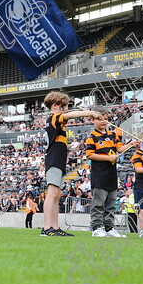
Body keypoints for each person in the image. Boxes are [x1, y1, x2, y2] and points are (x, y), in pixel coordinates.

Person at [40, 92, 100, 237]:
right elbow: (69, 116)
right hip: (54, 159)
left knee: (57, 194)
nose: (66, 110)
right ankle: (47, 228)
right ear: (55, 106)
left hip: (59, 160)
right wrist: (90, 112)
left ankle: (54, 227)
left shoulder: (57, 120)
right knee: (52, 194)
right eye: (63, 107)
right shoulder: (54, 117)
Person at [85, 114, 138, 237]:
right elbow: (90, 155)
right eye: (99, 119)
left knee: (111, 204)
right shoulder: (92, 137)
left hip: (112, 175)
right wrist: (108, 158)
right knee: (98, 204)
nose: (103, 121)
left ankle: (109, 228)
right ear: (93, 120)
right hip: (99, 175)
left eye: (105, 119)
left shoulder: (113, 135)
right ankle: (96, 228)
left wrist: (130, 144)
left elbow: (119, 149)